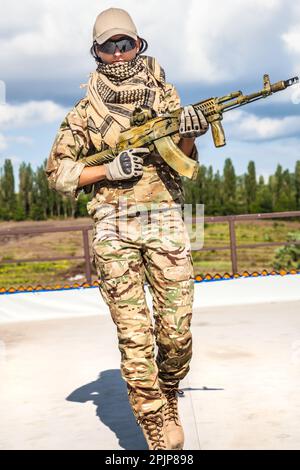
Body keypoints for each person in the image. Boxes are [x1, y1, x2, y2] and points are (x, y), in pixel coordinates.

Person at [45, 7, 208, 450]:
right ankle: (156, 426)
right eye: (107, 46)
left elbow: (186, 159)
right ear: (95, 53)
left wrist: (192, 131)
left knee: (176, 332)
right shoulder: (85, 111)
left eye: (125, 44)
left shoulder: (166, 96)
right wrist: (107, 171)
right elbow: (57, 174)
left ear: (139, 46)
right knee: (134, 337)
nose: (118, 55)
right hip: (113, 230)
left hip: (166, 221)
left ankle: (169, 388)